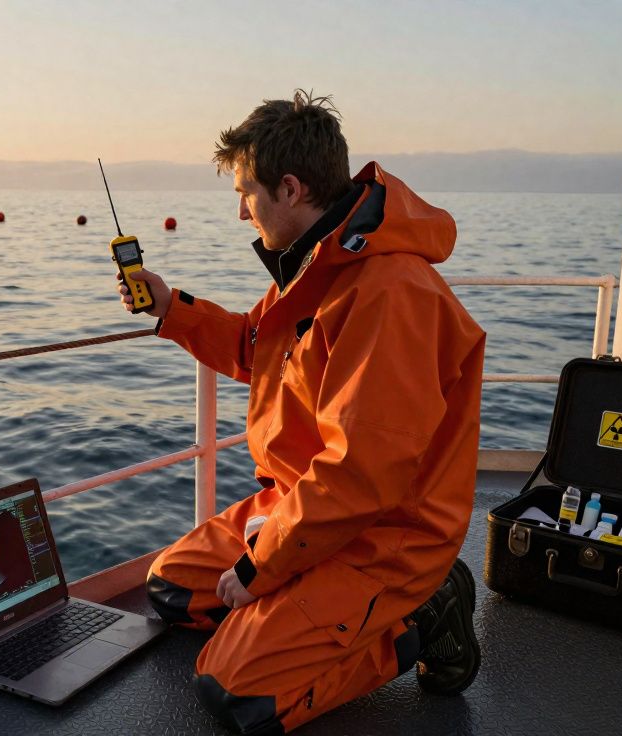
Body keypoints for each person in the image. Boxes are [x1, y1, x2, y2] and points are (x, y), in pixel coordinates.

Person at [116, 90, 486, 734]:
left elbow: (361, 475)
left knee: (235, 693)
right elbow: (252, 349)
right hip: (302, 511)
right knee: (171, 588)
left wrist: (261, 568)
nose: (240, 212)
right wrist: (170, 308)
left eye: (247, 193)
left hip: (383, 537)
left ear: (290, 189)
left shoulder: (390, 293)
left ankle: (422, 618)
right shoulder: (314, 267)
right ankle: (303, 608)